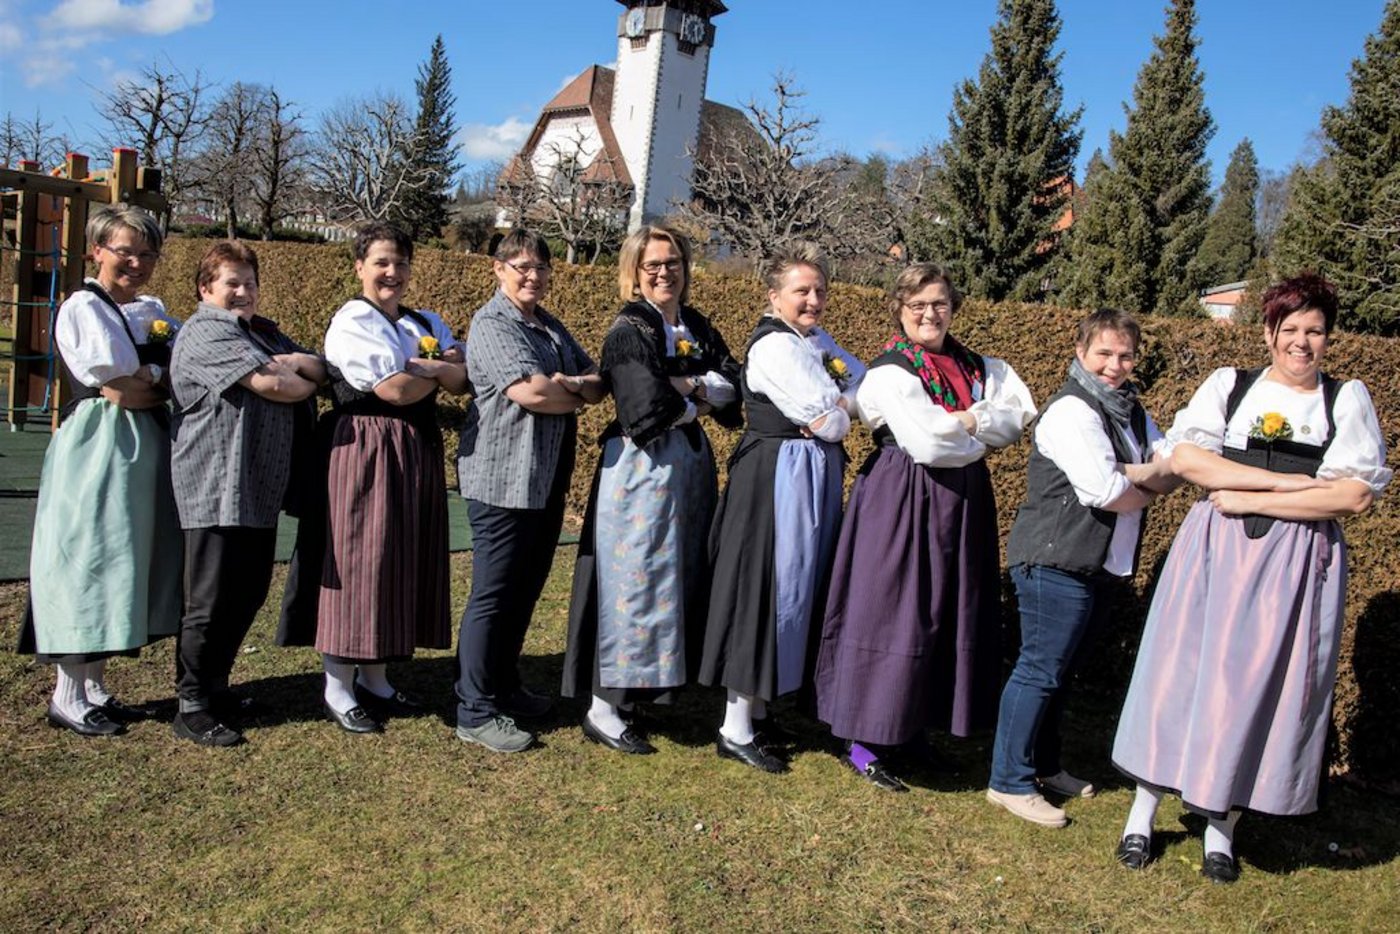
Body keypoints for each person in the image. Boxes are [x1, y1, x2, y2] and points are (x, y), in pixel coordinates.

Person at [1110, 274, 1390, 884]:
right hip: (1214, 551)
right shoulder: (1230, 385)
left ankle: (1221, 827)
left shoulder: (1345, 399)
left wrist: (1246, 495)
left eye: (1315, 331)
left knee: (1256, 686)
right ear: (1268, 333)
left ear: (1328, 338)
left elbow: (1353, 496)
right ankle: (1141, 814)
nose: (1301, 342)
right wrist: (1290, 484)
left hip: (1293, 562)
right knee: (1179, 671)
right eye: (1290, 329)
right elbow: (1187, 459)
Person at [814, 263, 1036, 791]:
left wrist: (969, 421)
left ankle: (910, 728)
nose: (929, 314)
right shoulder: (890, 371)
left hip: (963, 499)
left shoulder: (979, 366)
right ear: (900, 310)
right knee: (890, 610)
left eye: (939, 303)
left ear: (953, 307)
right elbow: (930, 444)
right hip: (902, 495)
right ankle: (863, 739)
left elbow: (1019, 414)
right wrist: (978, 427)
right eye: (917, 305)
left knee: (943, 610)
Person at [985, 309, 1174, 823]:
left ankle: (1044, 766)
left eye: (1125, 355)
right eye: (1104, 353)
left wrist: (1142, 475)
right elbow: (1105, 491)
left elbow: (1170, 461)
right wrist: (1147, 484)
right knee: (1039, 670)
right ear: (1080, 351)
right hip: (1054, 560)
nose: (1115, 365)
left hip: (1097, 564)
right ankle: (1008, 781)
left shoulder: (1131, 411)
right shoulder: (1072, 410)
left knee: (1061, 673)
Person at [562, 224, 742, 755]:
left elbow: (734, 382)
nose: (665, 273)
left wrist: (691, 386)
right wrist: (696, 395)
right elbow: (643, 403)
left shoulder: (695, 324)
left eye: (673, 263)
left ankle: (642, 691)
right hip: (640, 471)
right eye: (653, 265)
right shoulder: (629, 329)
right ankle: (604, 705)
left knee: (673, 578)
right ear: (635, 272)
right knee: (633, 578)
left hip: (687, 471)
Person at [700, 245, 865, 774]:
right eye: (802, 291)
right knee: (763, 587)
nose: (813, 299)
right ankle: (734, 726)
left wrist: (840, 403)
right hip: (774, 479)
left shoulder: (814, 341)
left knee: (793, 590)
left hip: (805, 477)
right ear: (774, 296)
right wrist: (838, 406)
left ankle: (759, 710)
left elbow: (863, 384)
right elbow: (831, 422)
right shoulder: (775, 347)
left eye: (820, 290)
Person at [21, 205, 182, 736]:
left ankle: (93, 687)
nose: (137, 263)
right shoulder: (83, 307)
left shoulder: (146, 310)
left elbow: (155, 379)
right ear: (97, 251)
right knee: (87, 558)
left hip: (142, 445)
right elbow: (119, 390)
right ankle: (66, 695)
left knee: (121, 561)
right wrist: (155, 379)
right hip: (98, 445)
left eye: (147, 254)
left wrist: (149, 377)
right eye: (125, 252)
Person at [167, 241, 326, 746]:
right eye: (231, 283)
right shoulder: (205, 331)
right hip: (215, 486)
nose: (242, 292)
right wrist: (297, 374)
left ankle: (217, 688)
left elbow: (321, 367)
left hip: (257, 487)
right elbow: (279, 386)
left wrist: (295, 365)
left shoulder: (262, 331)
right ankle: (191, 705)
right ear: (205, 289)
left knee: (247, 594)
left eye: (250, 283)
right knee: (209, 601)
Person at [314, 222, 469, 733]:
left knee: (398, 559)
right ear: (359, 266)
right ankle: (338, 685)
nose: (392, 272)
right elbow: (393, 390)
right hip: (365, 447)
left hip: (413, 447)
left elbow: (462, 377)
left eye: (400, 263)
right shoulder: (353, 319)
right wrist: (436, 367)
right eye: (381, 262)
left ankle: (375, 679)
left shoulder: (422, 320)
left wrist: (424, 368)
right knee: (360, 558)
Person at [455, 229, 606, 753]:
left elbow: (597, 381)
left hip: (543, 480)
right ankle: (474, 709)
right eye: (521, 266)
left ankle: (503, 686)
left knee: (524, 591)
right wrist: (570, 389)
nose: (533, 276)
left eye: (541, 267)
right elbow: (533, 393)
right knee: (493, 595)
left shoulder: (548, 325)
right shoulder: (493, 324)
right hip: (501, 480)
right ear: (498, 269)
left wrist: (570, 385)